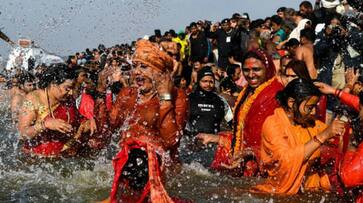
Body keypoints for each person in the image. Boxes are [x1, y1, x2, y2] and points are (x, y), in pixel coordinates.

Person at [96, 40, 188, 202]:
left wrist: (165, 98)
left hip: (158, 170)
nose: (136, 72)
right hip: (127, 168)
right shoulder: (128, 94)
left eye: (143, 67)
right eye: (135, 66)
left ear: (159, 72)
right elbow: (106, 127)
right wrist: (100, 92)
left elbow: (170, 141)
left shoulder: (177, 96)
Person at [253, 78, 346, 194]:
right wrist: (322, 137)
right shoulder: (273, 124)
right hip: (279, 194)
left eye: (314, 108)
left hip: (311, 191)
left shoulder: (310, 123)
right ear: (291, 103)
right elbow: (285, 161)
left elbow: (336, 146)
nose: (313, 113)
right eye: (309, 108)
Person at [201, 49, 283, 176]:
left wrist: (251, 152)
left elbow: (284, 141)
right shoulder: (247, 91)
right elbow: (242, 133)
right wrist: (217, 139)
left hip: (267, 171)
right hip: (245, 165)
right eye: (246, 70)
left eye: (256, 69)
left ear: (267, 68)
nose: (251, 75)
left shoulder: (276, 94)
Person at [18, 63, 96, 157]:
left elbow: (76, 122)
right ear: (53, 84)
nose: (70, 92)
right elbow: (23, 133)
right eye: (67, 88)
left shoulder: (67, 99)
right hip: (37, 160)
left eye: (71, 88)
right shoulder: (33, 99)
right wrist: (45, 124)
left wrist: (87, 122)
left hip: (64, 155)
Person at [179, 66, 232, 167]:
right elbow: (180, 123)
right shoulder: (189, 99)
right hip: (191, 146)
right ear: (198, 81)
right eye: (204, 81)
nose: (208, 84)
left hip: (212, 146)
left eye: (211, 81)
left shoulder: (221, 101)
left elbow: (232, 123)